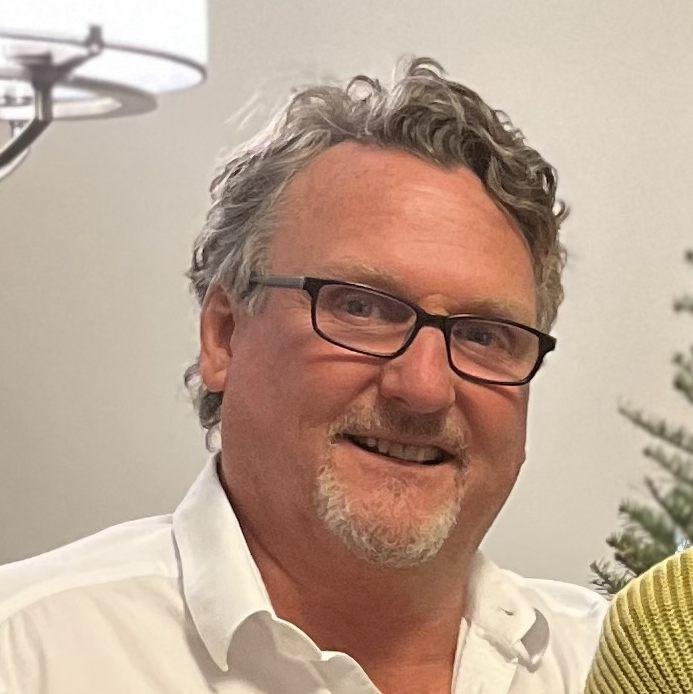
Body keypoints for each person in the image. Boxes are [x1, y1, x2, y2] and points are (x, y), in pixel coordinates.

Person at [0, 58, 607, 693]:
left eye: (484, 336)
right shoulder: (31, 656)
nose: (424, 387)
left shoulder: (612, 667)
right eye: (362, 308)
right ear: (224, 336)